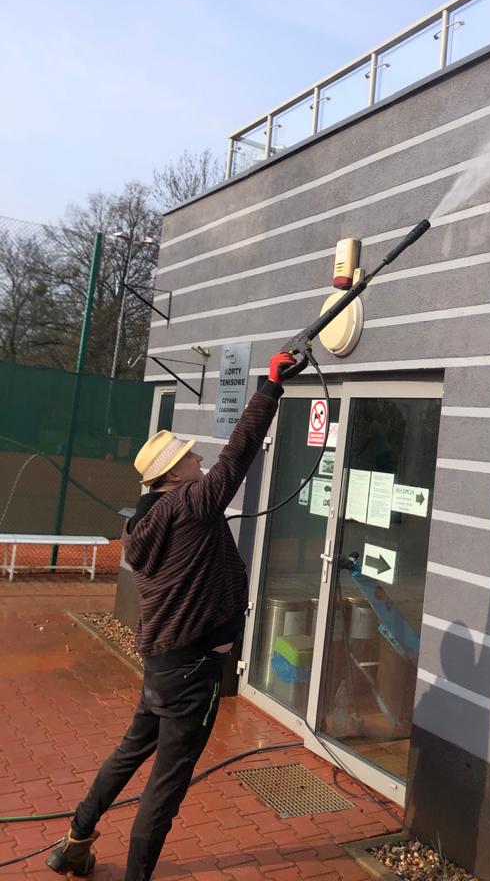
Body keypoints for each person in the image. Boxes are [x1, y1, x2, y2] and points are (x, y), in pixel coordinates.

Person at [46, 350, 299, 880]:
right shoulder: (190, 505)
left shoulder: (144, 522)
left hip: (164, 667)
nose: (197, 458)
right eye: (188, 456)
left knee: (128, 753)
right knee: (165, 787)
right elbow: (238, 454)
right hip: (192, 672)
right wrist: (270, 387)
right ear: (173, 474)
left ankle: (74, 842)